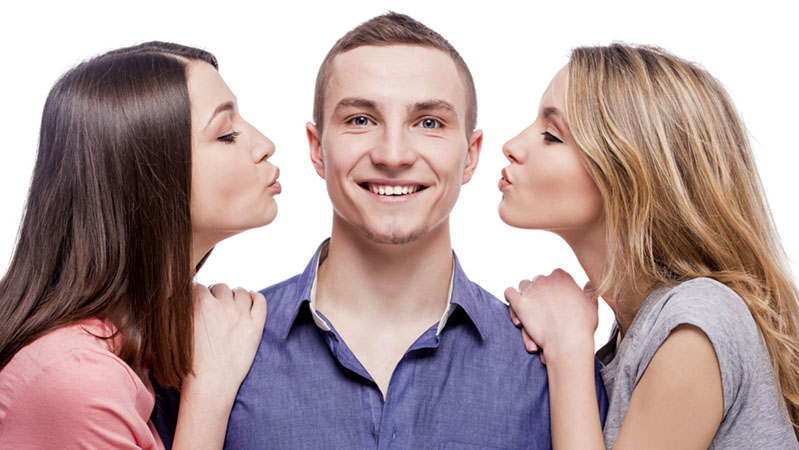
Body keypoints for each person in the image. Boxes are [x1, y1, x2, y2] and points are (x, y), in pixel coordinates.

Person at [152, 12, 607, 450]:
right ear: (316, 150)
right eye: (360, 120)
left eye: (429, 122)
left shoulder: (551, 368)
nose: (393, 155)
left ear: (470, 156)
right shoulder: (207, 354)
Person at [501, 43, 799, 448]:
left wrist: (568, 345)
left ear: (630, 175)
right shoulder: (636, 333)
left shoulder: (697, 324)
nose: (513, 146)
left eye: (552, 136)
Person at [0, 41, 279, 449]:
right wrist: (211, 390)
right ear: (144, 176)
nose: (264, 144)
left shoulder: (139, 344)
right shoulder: (74, 377)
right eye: (227, 134)